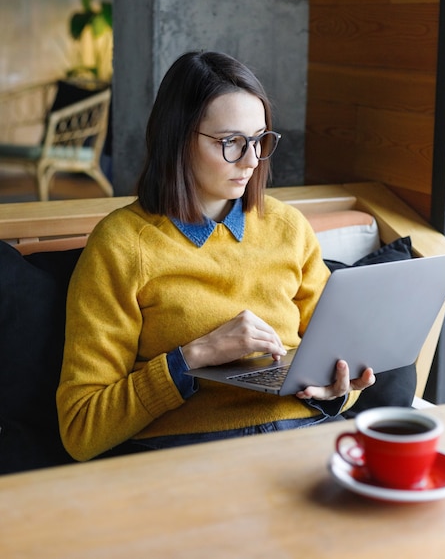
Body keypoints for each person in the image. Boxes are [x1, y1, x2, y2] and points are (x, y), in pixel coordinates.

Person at [56, 51, 375, 462]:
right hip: (192, 456)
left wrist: (334, 394)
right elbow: (81, 428)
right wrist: (193, 358)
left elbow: (337, 367)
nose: (252, 160)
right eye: (231, 143)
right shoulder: (122, 244)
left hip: (305, 438)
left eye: (260, 140)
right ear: (177, 138)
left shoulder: (288, 228)